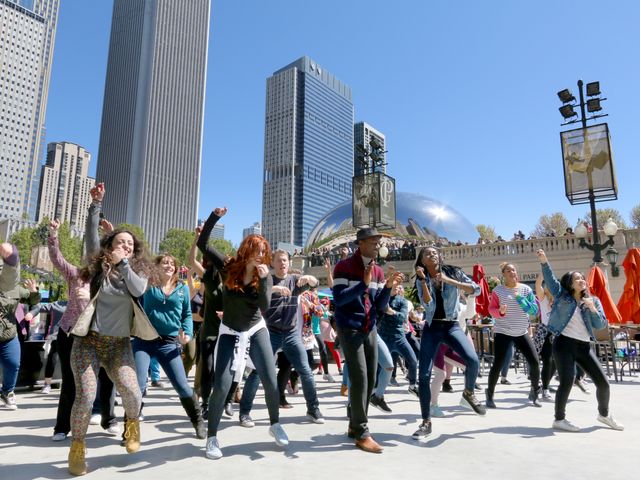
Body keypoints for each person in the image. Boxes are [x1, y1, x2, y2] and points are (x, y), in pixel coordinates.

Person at [68, 184, 157, 476]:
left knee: (132, 391)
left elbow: (138, 288)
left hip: (119, 344)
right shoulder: (97, 267)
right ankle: (78, 447)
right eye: (120, 243)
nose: (126, 247)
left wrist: (125, 265)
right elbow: (91, 238)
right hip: (89, 343)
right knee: (86, 396)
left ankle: (132, 424)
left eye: (130, 245)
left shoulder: (137, 271)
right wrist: (95, 205)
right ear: (110, 247)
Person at [201, 208, 288, 460]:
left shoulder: (266, 277)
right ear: (247, 249)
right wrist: (214, 218)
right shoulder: (228, 267)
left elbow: (264, 306)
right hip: (229, 331)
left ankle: (274, 424)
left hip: (255, 329)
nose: (261, 255)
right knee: (222, 386)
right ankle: (212, 438)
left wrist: (263, 281)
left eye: (264, 252)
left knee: (270, 380)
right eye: (257, 250)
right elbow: (203, 244)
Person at [332, 227, 403, 454]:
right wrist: (363, 283)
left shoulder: (379, 271)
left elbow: (380, 305)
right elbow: (340, 299)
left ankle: (354, 425)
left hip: (370, 327)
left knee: (371, 378)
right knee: (360, 377)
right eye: (373, 241)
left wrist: (389, 287)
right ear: (360, 243)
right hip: (349, 327)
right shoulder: (343, 266)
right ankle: (362, 433)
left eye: (378, 241)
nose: (377, 244)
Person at [536, 249, 623, 432]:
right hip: (563, 345)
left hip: (584, 347)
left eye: (582, 278)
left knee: (603, 382)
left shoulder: (593, 301)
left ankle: (604, 415)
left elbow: (600, 325)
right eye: (577, 278)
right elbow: (550, 279)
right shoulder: (561, 296)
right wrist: (544, 261)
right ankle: (559, 419)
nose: (582, 280)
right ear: (570, 283)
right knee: (566, 381)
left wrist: (591, 308)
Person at [238, 249, 324, 426]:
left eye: (285, 260)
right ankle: (245, 412)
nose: (282, 263)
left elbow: (315, 284)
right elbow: (254, 296)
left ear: (289, 263)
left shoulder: (294, 280)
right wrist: (272, 288)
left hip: (292, 333)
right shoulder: (266, 279)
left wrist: (309, 279)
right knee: (257, 372)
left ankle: (313, 409)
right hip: (270, 332)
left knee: (306, 371)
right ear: (272, 263)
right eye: (279, 261)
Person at [412, 246, 485, 440]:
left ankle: (468, 393)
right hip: (432, 328)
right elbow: (427, 304)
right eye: (427, 253)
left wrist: (448, 280)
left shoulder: (453, 272)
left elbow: (475, 289)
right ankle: (426, 421)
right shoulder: (421, 279)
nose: (432, 254)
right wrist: (423, 281)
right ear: (422, 261)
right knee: (424, 375)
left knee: (473, 360)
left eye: (435, 252)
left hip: (452, 326)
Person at [133, 254, 206, 439]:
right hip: (144, 340)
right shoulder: (147, 285)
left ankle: (197, 420)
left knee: (182, 386)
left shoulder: (181, 288)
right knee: (139, 385)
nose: (168, 266)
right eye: (164, 262)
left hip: (169, 343)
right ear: (156, 266)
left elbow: (187, 315)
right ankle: (131, 427)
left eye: (172, 263)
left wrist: (187, 334)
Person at [486, 262, 541, 408]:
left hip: (521, 332)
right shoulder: (498, 291)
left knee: (534, 362)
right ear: (503, 274)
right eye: (508, 270)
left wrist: (520, 299)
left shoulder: (526, 289)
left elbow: (534, 311)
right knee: (498, 364)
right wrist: (500, 312)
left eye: (513, 270)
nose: (512, 272)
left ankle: (535, 393)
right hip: (503, 331)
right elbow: (491, 310)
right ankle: (490, 394)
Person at [1, 243, 40, 410]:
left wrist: (34, 291)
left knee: (13, 363)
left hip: (8, 334)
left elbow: (32, 301)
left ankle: (7, 392)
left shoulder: (13, 289)